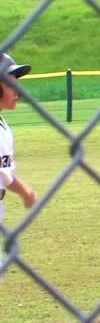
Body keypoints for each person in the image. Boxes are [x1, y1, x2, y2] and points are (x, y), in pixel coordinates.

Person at [0, 53, 37, 277]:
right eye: (11, 84)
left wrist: (24, 192)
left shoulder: (4, 127)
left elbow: (5, 174)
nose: (18, 92)